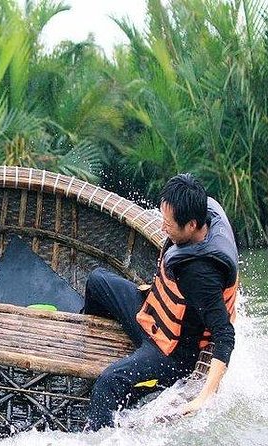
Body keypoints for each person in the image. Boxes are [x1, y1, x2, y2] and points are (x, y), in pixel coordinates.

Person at [84, 173, 238, 430]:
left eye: (168, 224)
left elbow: (224, 335)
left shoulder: (200, 274)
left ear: (190, 225)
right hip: (151, 315)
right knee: (97, 280)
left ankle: (97, 435)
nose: (162, 228)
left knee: (107, 383)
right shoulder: (205, 212)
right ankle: (88, 340)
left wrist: (203, 397)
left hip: (171, 353)